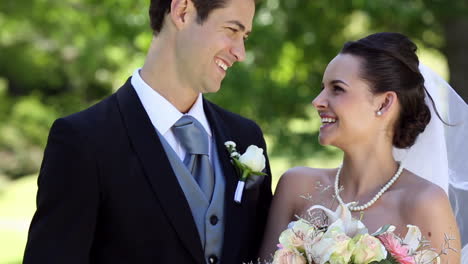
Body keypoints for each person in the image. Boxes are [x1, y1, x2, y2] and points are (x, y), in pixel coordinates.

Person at [23, 0, 272, 263]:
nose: (241, 52)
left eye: (244, 37)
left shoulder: (247, 137)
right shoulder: (83, 141)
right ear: (182, 11)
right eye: (232, 30)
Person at [259, 32, 462, 263]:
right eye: (323, 87)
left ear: (384, 103)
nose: (318, 101)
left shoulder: (425, 203)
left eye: (337, 89)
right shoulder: (295, 186)